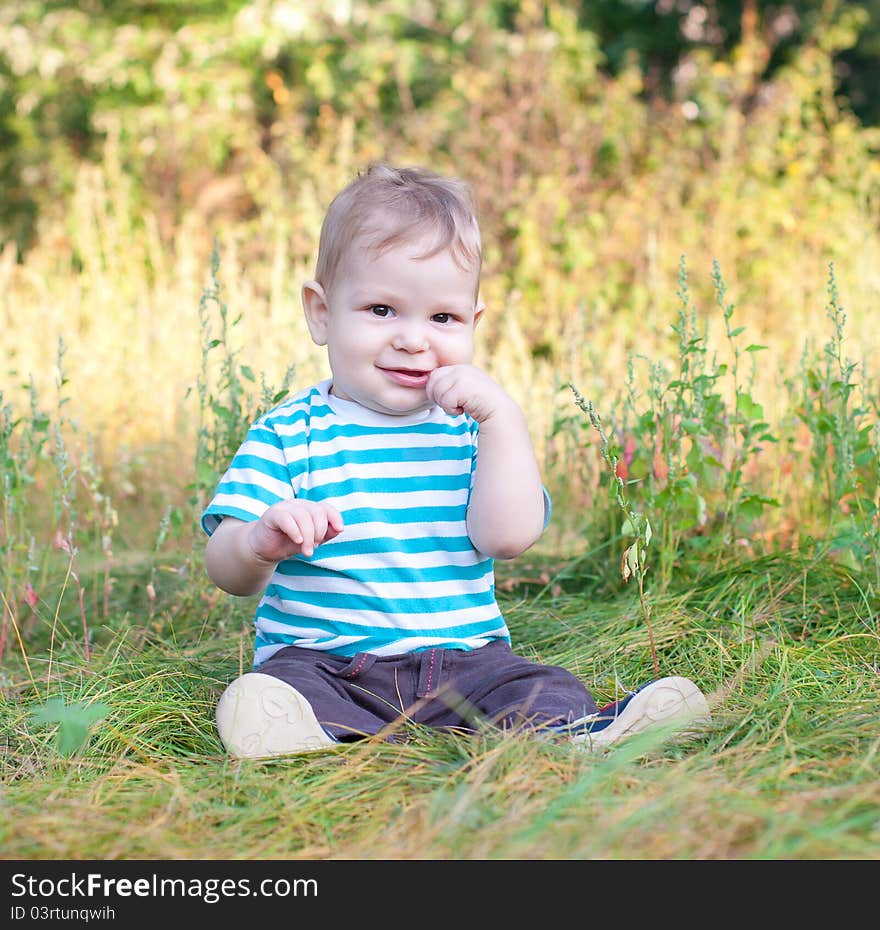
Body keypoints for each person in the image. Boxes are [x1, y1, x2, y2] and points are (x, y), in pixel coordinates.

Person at [202, 163, 711, 759]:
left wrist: (504, 421)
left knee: (534, 686)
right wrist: (259, 542)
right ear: (321, 312)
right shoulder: (289, 434)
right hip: (329, 661)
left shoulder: (473, 433)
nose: (414, 339)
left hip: (465, 661)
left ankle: (585, 733)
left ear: (473, 323)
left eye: (441, 318)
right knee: (281, 686)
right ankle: (300, 731)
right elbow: (225, 570)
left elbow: (509, 538)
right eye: (381, 311)